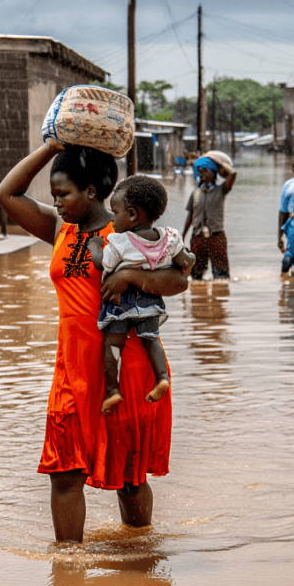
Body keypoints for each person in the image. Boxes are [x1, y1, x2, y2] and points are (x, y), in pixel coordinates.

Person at [0, 139, 191, 543]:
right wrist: (51, 148)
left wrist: (131, 276)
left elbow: (179, 280)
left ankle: (141, 558)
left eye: (63, 193)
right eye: (53, 195)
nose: (57, 202)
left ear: (90, 192)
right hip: (71, 370)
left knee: (130, 477)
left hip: (125, 367)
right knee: (63, 471)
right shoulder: (60, 228)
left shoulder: (128, 232)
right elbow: (6, 194)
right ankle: (68, 566)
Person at [87, 175, 193, 415]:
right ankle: (162, 377)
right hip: (150, 302)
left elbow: (102, 264)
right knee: (151, 339)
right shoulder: (169, 238)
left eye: (116, 212)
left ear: (133, 214)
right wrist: (190, 258)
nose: (113, 218)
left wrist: (94, 247)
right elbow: (185, 261)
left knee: (113, 344)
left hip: (120, 303)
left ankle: (113, 390)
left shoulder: (119, 242)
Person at [182, 154, 237, 280]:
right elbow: (190, 215)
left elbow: (232, 174)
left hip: (216, 236)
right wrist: (183, 235)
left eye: (205, 171)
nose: (201, 174)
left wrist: (216, 161)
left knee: (222, 276)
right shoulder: (196, 193)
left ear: (213, 173)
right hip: (198, 238)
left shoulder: (221, 190)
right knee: (196, 276)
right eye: (200, 172)